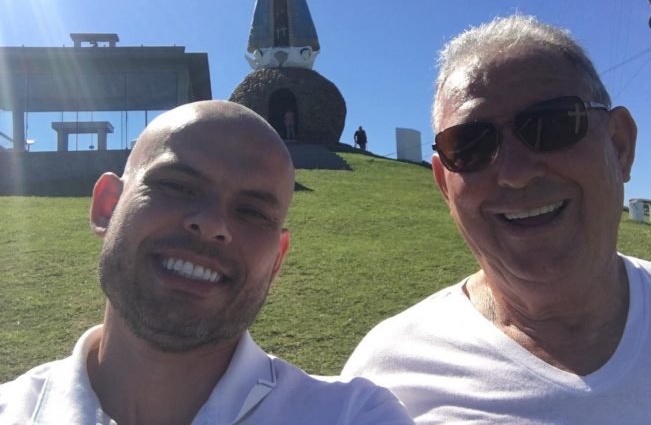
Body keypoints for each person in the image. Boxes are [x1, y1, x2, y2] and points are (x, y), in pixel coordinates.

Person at [343, 15, 651, 423]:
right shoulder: (387, 378)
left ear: (620, 145)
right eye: (470, 145)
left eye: (553, 125)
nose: (515, 172)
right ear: (443, 184)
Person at [0, 100, 414, 424]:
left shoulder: (354, 416)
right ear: (107, 206)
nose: (212, 224)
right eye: (176, 185)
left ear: (277, 260)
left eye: (252, 212)